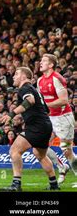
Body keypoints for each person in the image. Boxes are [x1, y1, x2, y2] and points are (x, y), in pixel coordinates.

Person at [0, 67, 58, 191]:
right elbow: (45, 109)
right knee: (40, 155)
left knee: (14, 151)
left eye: (16, 74)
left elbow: (30, 100)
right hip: (45, 125)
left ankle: (16, 185)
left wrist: (11, 114)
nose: (14, 76)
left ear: (24, 77)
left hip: (37, 126)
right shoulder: (35, 90)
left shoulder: (25, 87)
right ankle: (54, 185)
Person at [37, 54, 77, 184]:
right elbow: (41, 101)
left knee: (66, 150)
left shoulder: (57, 78)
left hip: (63, 118)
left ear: (51, 65)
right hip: (50, 118)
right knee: (40, 146)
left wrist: (45, 105)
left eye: (44, 61)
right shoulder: (39, 81)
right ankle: (62, 167)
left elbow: (64, 100)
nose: (40, 62)